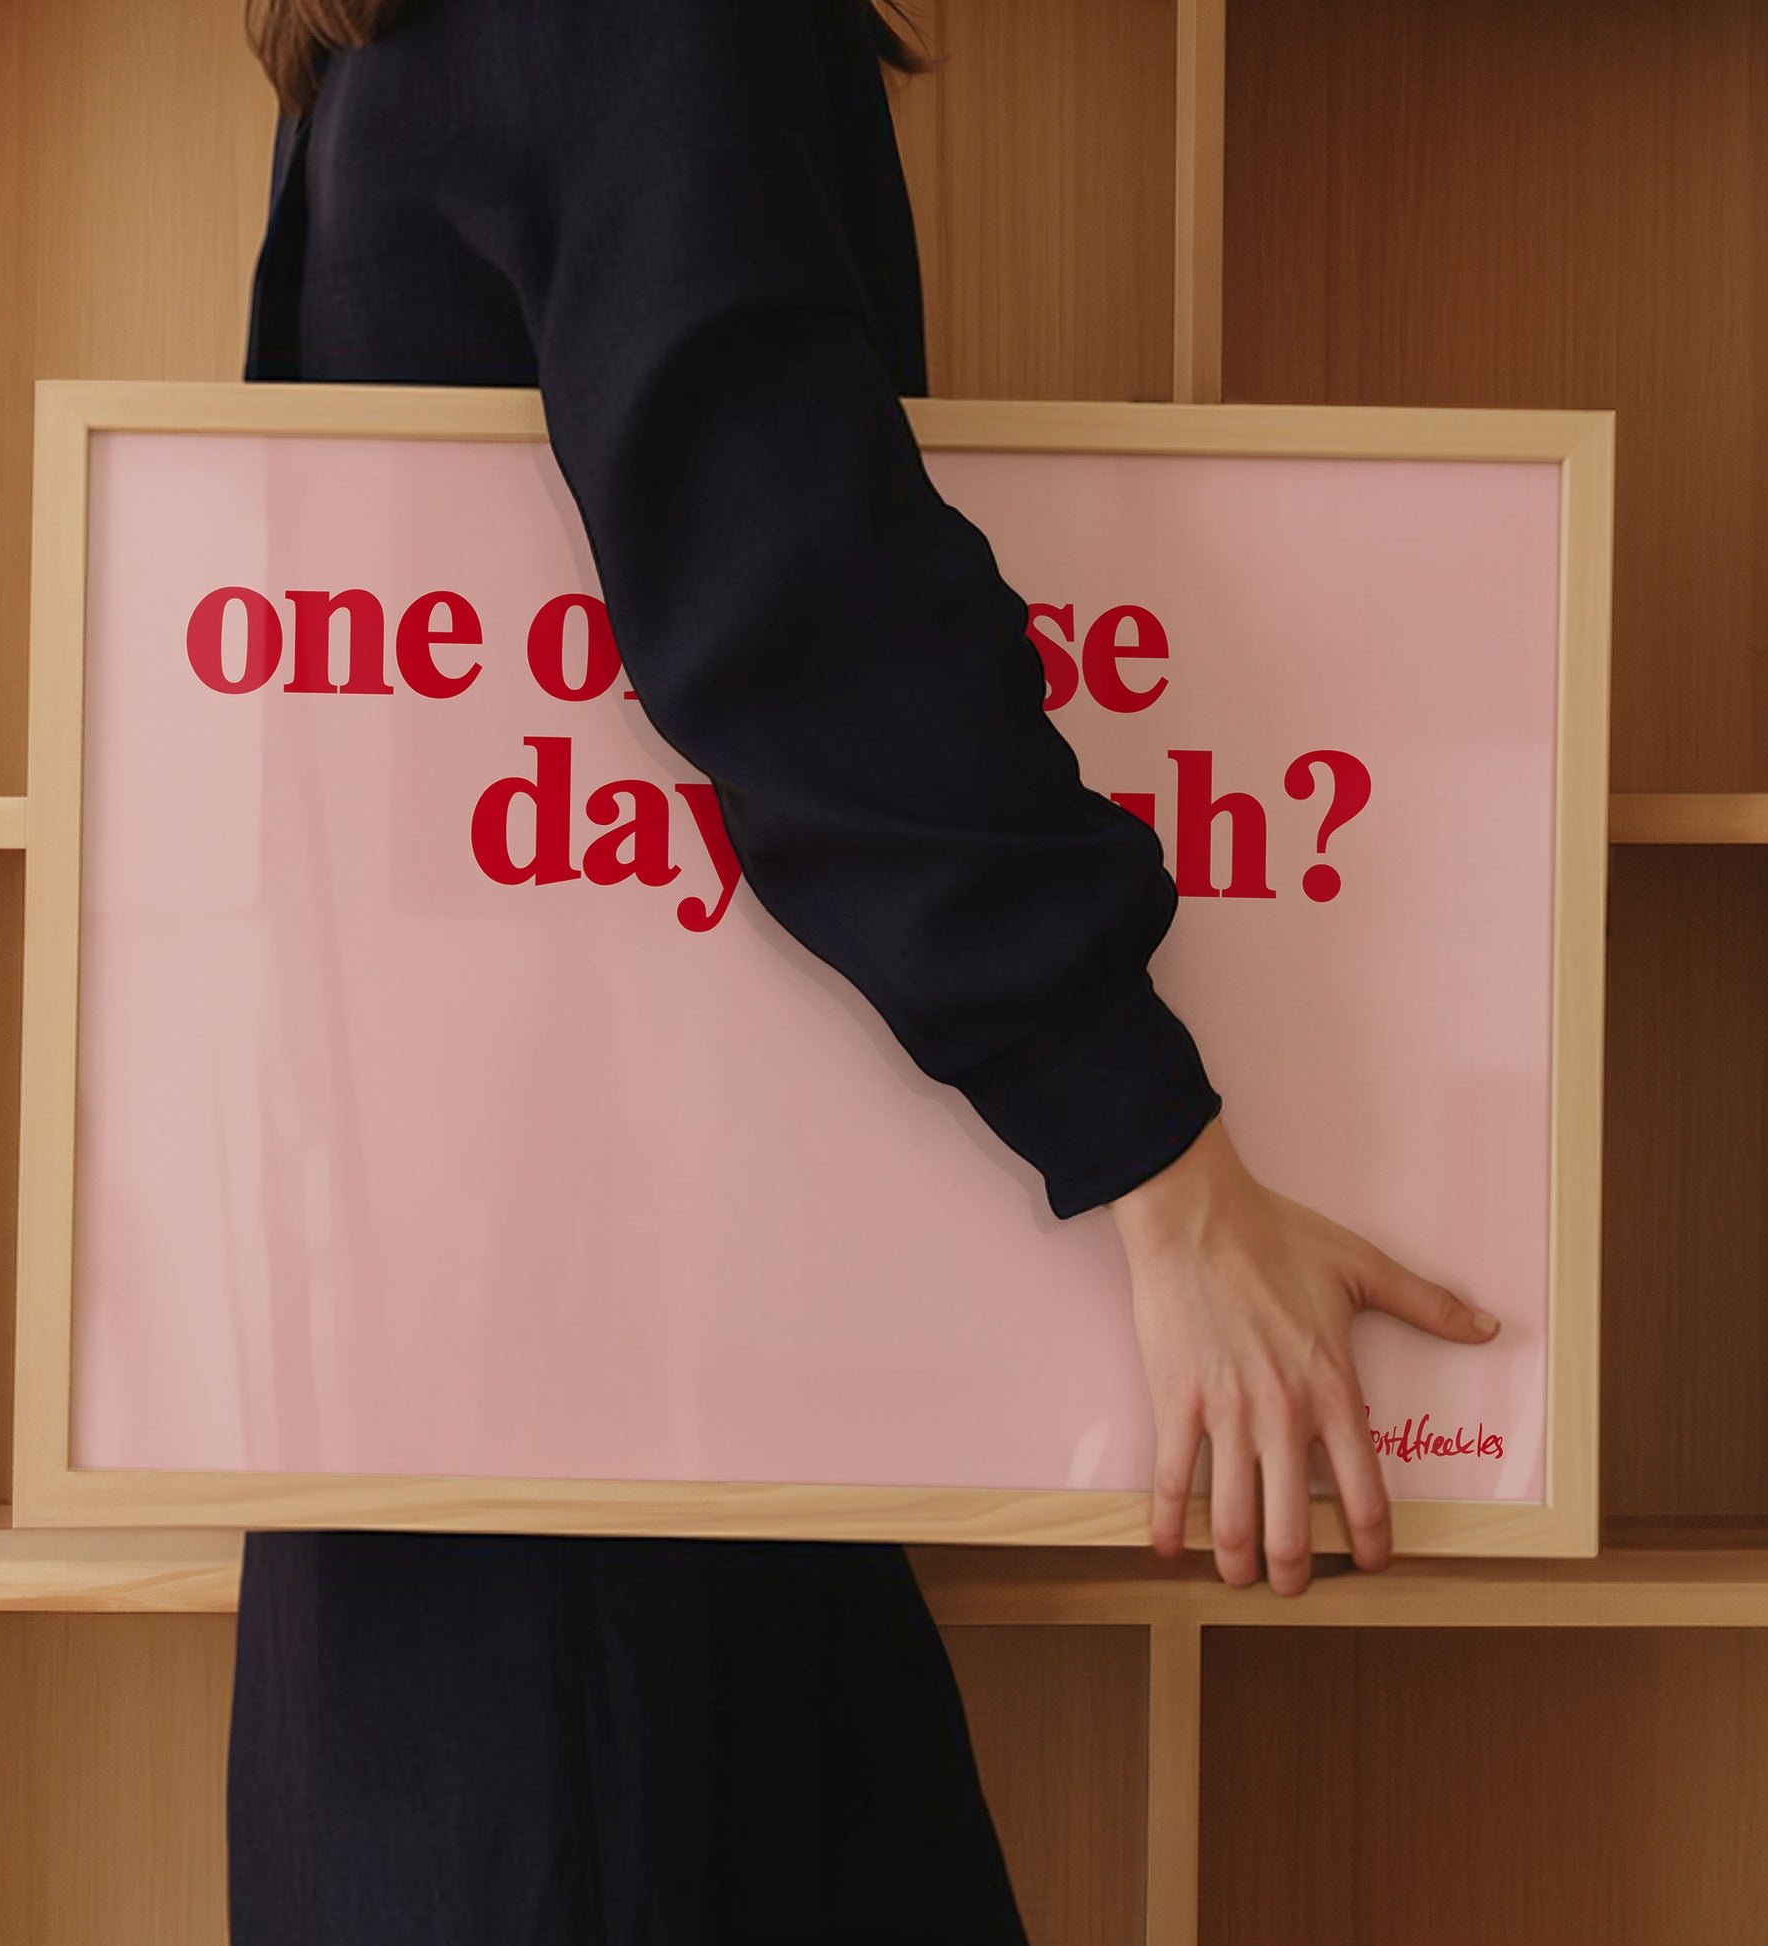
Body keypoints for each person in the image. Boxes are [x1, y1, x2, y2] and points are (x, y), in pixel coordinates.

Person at [226, 2, 1503, 1940]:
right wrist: (1159, 1163)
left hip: (514, 1374)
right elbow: (793, 600)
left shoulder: (417, 41)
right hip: (613, 1440)